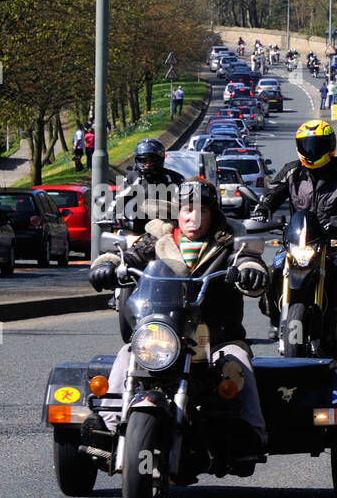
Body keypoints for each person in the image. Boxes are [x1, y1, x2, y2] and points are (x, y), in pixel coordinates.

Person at [88, 177, 270, 459]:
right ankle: (109, 428)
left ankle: (251, 432)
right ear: (177, 212)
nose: (193, 217)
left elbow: (249, 259)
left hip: (215, 339)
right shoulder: (158, 241)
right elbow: (125, 256)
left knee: (238, 359)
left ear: (214, 215)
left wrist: (250, 270)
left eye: (203, 211)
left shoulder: (228, 242)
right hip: (164, 334)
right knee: (127, 354)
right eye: (187, 209)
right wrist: (106, 265)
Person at [249, 120, 337, 342]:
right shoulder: (292, 171)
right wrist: (262, 210)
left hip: (334, 240)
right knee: (273, 270)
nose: (312, 151)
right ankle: (274, 317)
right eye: (306, 145)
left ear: (330, 146)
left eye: (317, 146)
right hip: (299, 241)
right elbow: (272, 192)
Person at [119, 137, 185, 234]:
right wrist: (112, 214)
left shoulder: (173, 178)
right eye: (143, 161)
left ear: (160, 159)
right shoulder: (132, 178)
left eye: (151, 160)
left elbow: (185, 203)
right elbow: (119, 198)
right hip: (135, 230)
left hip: (165, 229)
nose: (147, 164)